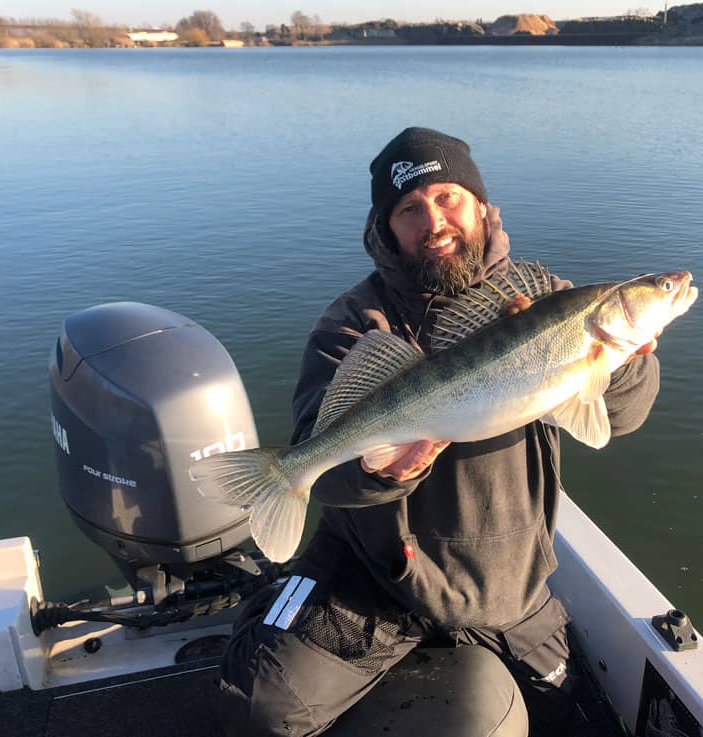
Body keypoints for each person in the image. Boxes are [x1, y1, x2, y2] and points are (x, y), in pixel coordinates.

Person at [217, 127, 661, 737]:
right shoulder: (354, 324)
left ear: (481, 205)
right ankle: (267, 613)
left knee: (573, 721)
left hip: (505, 584)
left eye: (449, 197)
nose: (435, 221)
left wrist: (626, 361)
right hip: (374, 581)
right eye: (410, 208)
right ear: (386, 227)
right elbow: (330, 466)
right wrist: (377, 469)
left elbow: (620, 416)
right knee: (260, 699)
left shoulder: (550, 301)